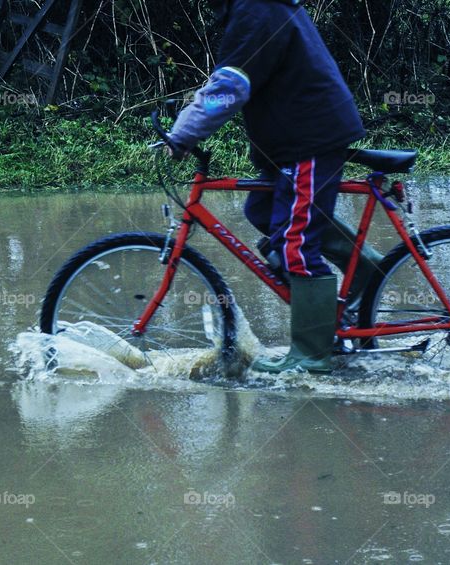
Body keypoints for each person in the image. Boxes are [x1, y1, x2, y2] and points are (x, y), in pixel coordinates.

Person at [165, 0, 385, 374]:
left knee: (296, 244)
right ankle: (364, 270)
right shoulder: (257, 8)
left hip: (309, 140)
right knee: (262, 211)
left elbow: (230, 86)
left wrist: (184, 132)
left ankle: (312, 355)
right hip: (294, 140)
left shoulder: (256, 9)